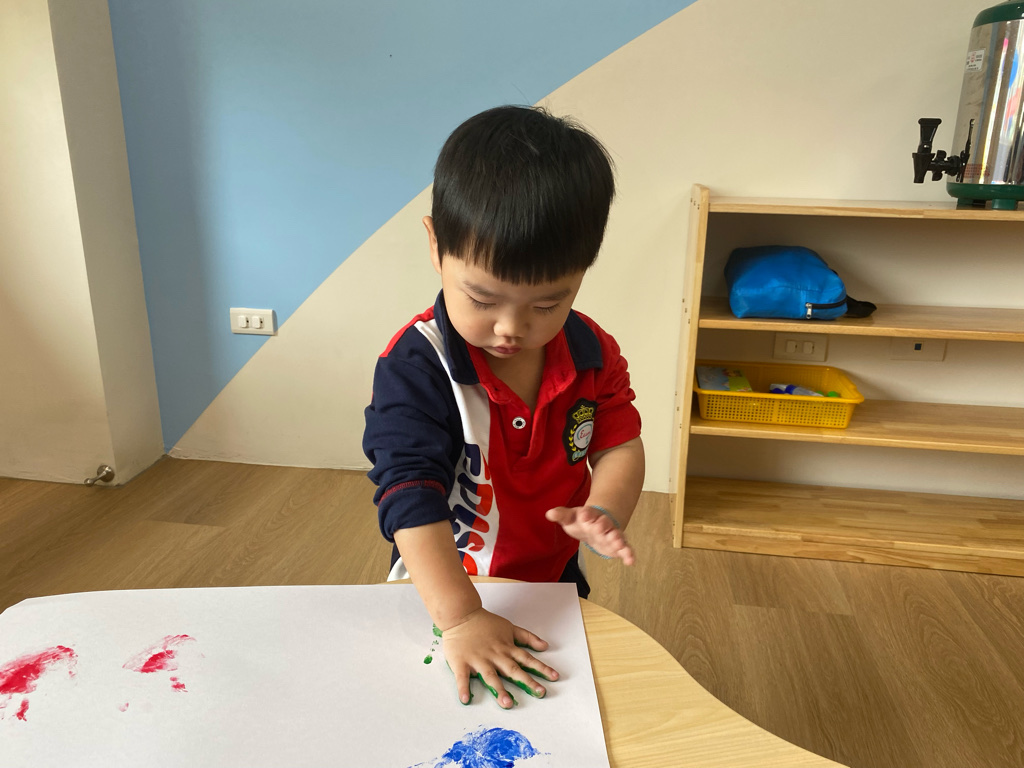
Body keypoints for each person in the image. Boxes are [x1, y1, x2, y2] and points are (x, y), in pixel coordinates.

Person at [362, 105, 644, 709]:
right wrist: (462, 617)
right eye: (483, 299)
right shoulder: (417, 364)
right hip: (440, 586)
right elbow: (407, 492)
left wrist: (604, 509)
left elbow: (618, 442)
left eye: (547, 304)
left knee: (562, 705)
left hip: (551, 578)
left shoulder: (592, 351)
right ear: (436, 245)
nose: (511, 328)